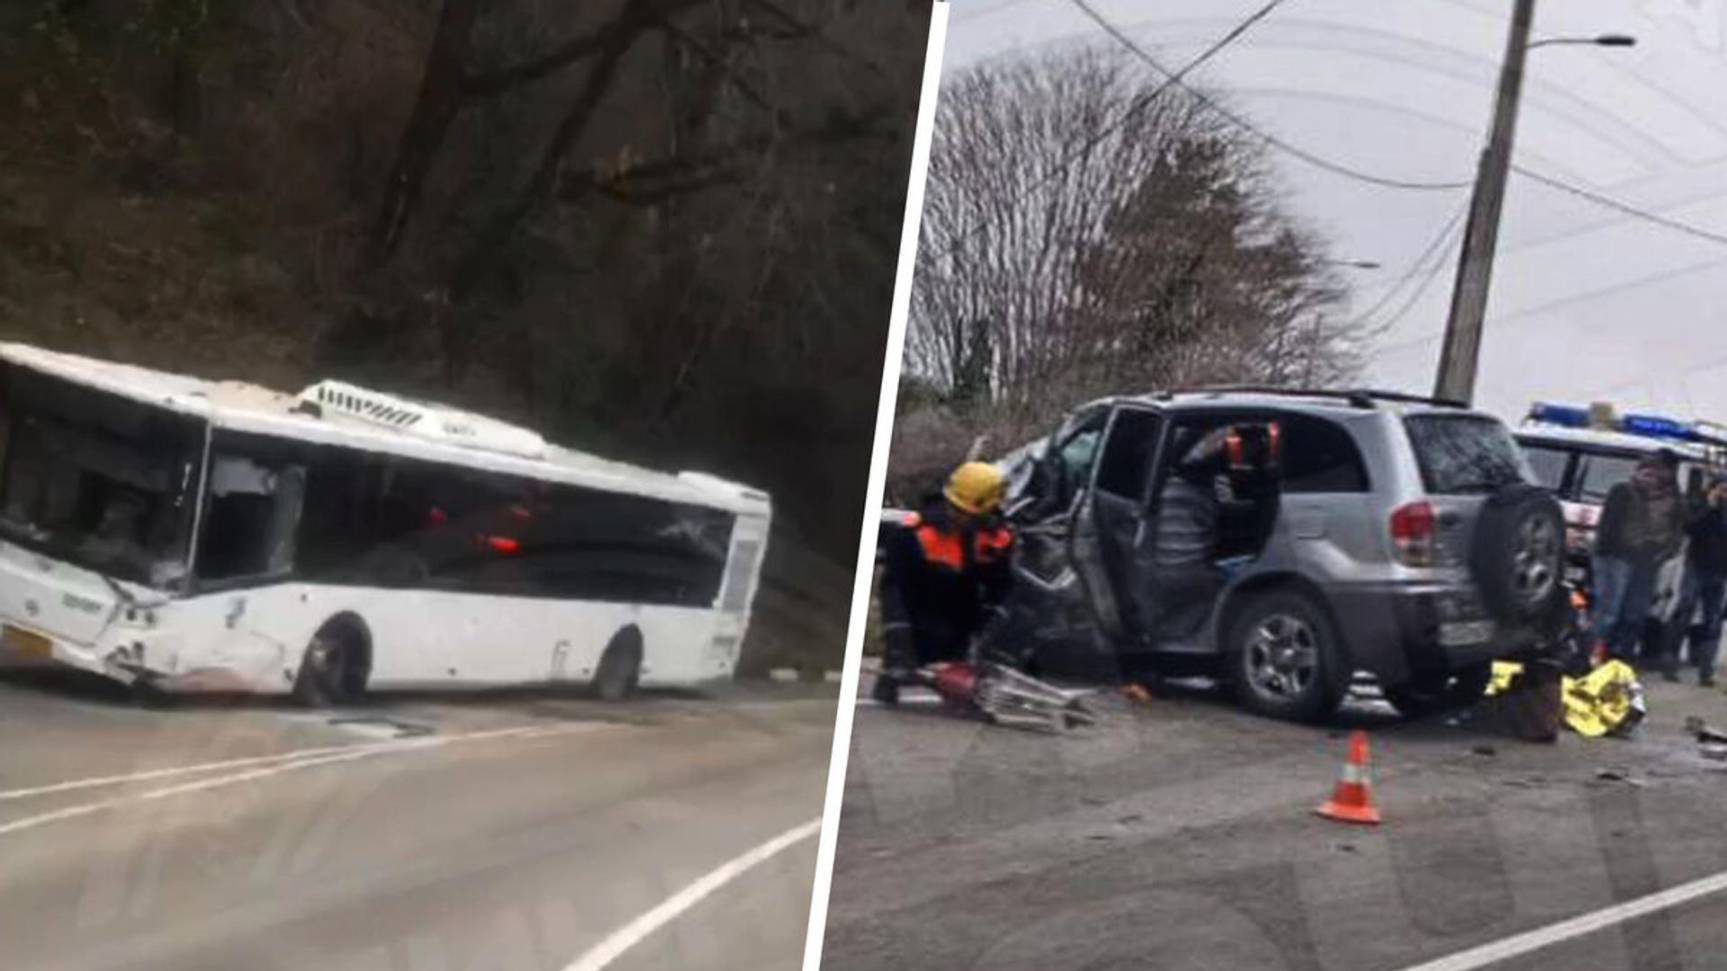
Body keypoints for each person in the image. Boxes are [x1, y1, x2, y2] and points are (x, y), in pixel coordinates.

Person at [873, 461, 1015, 707]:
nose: (957, 517)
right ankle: (894, 669)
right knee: (903, 665)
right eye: (955, 509)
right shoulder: (914, 534)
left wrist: (989, 633)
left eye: (967, 514)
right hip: (918, 614)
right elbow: (893, 589)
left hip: (961, 616)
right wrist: (897, 638)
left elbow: (1000, 589)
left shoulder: (997, 538)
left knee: (963, 686)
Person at [1592, 451, 1685, 662]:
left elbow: (1676, 529)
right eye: (1646, 472)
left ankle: (1621, 656)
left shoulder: (1671, 498)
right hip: (1616, 556)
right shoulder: (1624, 491)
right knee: (1608, 612)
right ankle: (1592, 656)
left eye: (1655, 472)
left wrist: (1663, 551)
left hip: (1646, 561)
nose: (1651, 478)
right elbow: (1608, 529)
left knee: (1634, 613)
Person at [1666, 475, 1727, 685]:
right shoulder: (1700, 506)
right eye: (1721, 490)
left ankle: (1706, 670)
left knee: (1713, 621)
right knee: (1685, 610)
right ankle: (1670, 660)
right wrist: (1709, 507)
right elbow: (1689, 528)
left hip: (1720, 572)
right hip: (1697, 566)